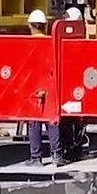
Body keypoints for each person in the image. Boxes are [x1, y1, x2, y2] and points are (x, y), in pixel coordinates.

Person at [25, 9, 63, 166]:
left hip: (33, 85)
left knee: (34, 123)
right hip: (50, 84)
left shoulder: (27, 44)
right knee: (52, 120)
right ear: (45, 25)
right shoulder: (51, 42)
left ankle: (36, 158)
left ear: (30, 26)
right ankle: (57, 155)